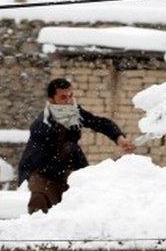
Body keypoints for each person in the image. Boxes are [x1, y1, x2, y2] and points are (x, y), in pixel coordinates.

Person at [18, 78, 135, 214]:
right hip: (43, 172)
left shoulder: (74, 114)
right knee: (39, 203)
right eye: (63, 97)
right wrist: (69, 174)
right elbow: (38, 160)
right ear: (51, 100)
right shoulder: (42, 125)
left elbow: (100, 123)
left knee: (82, 204)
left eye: (70, 96)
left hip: (68, 166)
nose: (68, 100)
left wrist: (119, 138)